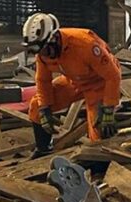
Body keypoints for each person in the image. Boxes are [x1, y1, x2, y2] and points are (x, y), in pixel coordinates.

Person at [23, 12, 121, 158]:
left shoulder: (85, 44)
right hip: (74, 79)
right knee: (36, 105)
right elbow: (43, 81)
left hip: (98, 82)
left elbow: (112, 76)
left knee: (98, 128)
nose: (42, 55)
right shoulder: (43, 53)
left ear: (54, 39)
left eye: (43, 50)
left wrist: (108, 109)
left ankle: (100, 162)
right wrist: (45, 108)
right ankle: (43, 149)